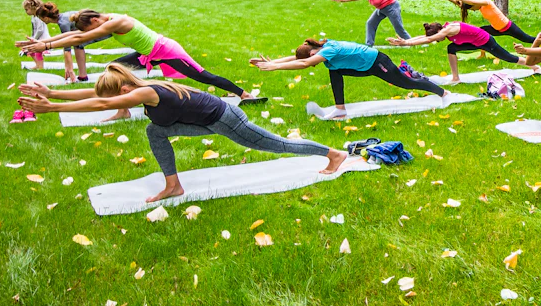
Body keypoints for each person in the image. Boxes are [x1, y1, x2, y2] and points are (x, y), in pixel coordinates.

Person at [17, 65, 348, 203]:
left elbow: (100, 103)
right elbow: (97, 95)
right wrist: (54, 93)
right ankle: (173, 185)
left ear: (125, 89)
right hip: (208, 121)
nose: (116, 101)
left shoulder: (144, 92)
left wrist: (52, 108)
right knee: (155, 130)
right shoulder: (141, 85)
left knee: (277, 144)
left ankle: (332, 154)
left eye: (118, 96)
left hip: (225, 119)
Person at [15, 10, 264, 122]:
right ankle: (122, 109)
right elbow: (76, 35)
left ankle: (243, 94)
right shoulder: (106, 19)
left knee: (203, 77)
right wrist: (45, 43)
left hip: (166, 51)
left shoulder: (117, 21)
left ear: (95, 20)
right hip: (149, 53)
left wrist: (45, 46)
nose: (94, 31)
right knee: (114, 69)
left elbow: (81, 37)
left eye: (92, 27)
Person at [250, 38, 450, 113]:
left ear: (312, 53)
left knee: (407, 83)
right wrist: (273, 62)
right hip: (363, 66)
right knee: (334, 70)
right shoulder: (319, 47)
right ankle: (340, 109)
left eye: (312, 58)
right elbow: (298, 58)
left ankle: (443, 93)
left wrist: (274, 68)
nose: (314, 61)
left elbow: (303, 63)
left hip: (377, 62)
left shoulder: (328, 50)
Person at [387, 21, 538, 85]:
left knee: (508, 57)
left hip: (486, 41)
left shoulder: (449, 30)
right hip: (474, 42)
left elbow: (429, 39)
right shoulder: (443, 30)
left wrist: (406, 43)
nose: (438, 40)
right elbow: (426, 37)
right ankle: (455, 77)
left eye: (437, 37)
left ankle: (533, 65)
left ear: (439, 31)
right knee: (451, 48)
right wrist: (406, 41)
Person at [29, 0, 108, 82]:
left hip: (102, 28)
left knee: (78, 44)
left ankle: (82, 75)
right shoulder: (63, 18)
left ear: (45, 18)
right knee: (78, 44)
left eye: (40, 18)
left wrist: (70, 70)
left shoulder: (63, 23)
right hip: (95, 28)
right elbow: (66, 38)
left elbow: (67, 48)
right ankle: (83, 76)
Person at [330, 0, 410, 47]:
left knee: (398, 28)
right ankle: (369, 45)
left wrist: (343, 0)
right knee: (370, 23)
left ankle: (410, 43)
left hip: (391, 7)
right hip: (381, 8)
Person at [437, 0, 536, 43]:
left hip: (508, 27)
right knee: (481, 33)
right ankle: (483, 53)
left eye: (473, 9)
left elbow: (472, 2)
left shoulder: (486, 2)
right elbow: (462, 5)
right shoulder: (480, 8)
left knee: (528, 39)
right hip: (496, 29)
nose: (474, 10)